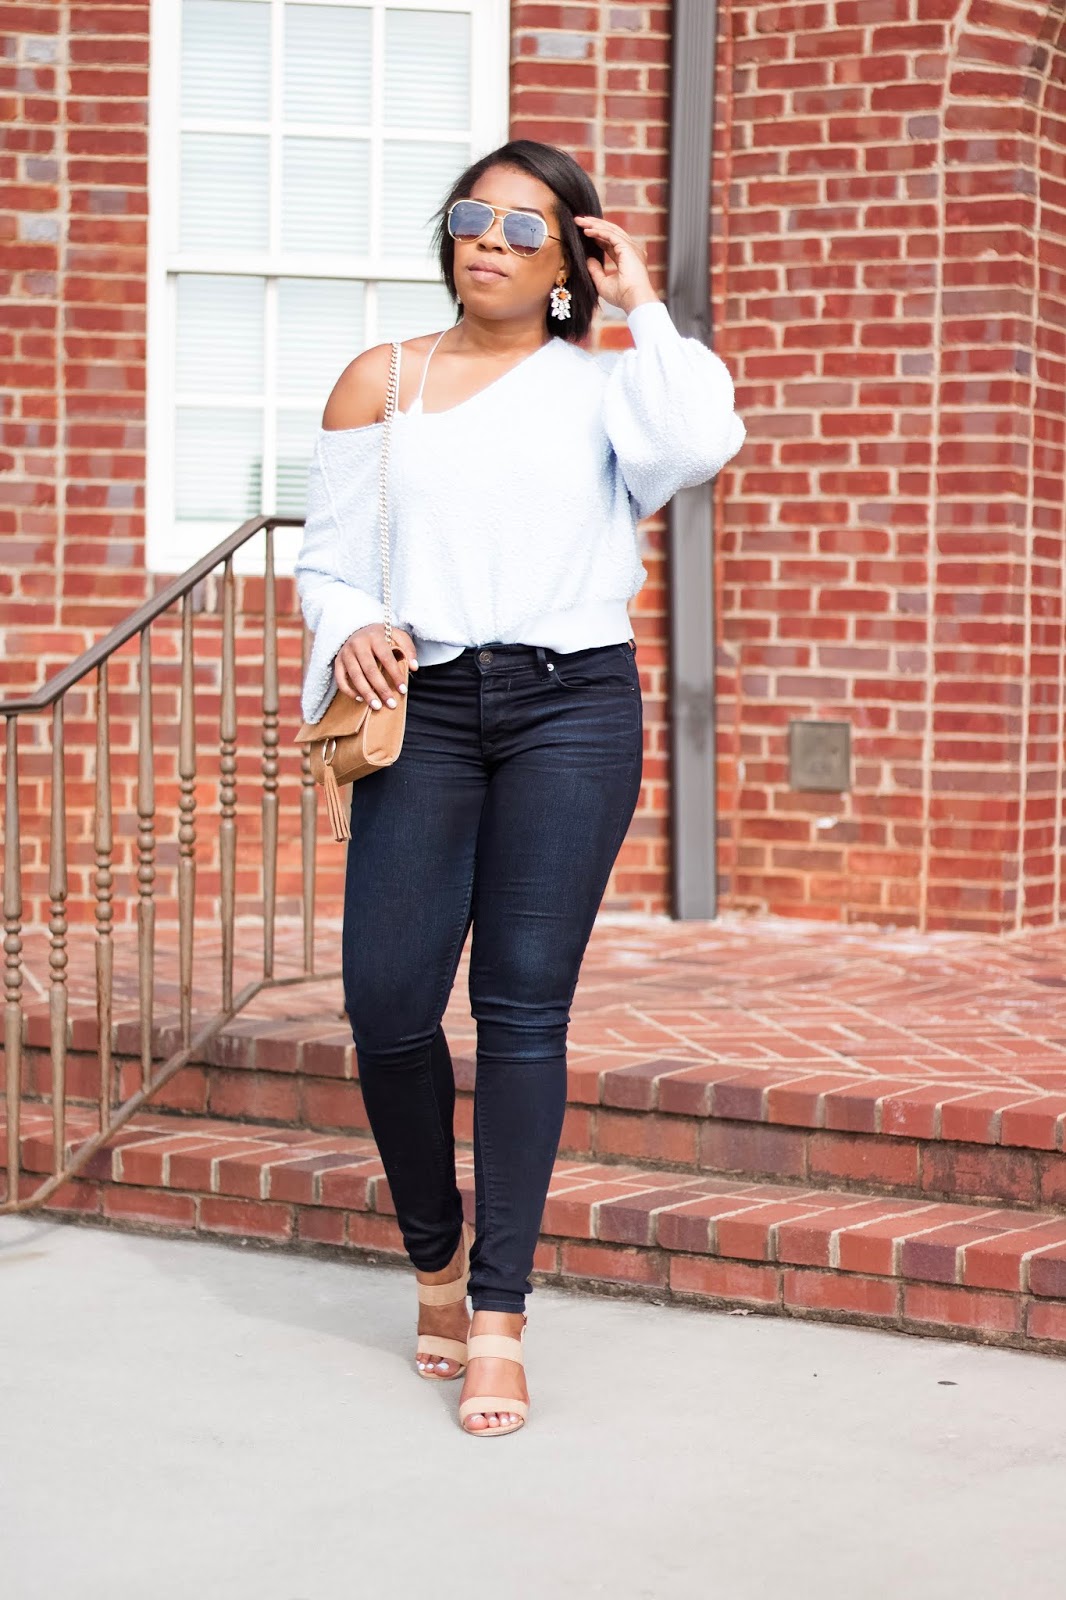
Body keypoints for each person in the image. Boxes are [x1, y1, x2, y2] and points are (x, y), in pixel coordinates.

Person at [295, 139, 745, 1438]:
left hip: (569, 703)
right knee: (385, 1003)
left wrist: (643, 298)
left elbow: (699, 439)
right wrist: (351, 628)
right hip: (419, 702)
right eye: (470, 216)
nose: (487, 239)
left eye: (522, 226)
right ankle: (429, 1258)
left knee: (520, 1010)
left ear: (565, 260)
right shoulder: (380, 380)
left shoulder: (607, 388)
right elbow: (326, 562)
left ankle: (496, 1313)